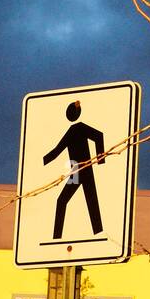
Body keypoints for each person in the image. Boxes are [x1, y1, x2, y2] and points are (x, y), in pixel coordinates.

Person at [43, 100, 105, 238]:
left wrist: (100, 161)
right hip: (77, 172)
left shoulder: (78, 128)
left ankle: (58, 237)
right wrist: (41, 162)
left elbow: (98, 136)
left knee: (90, 201)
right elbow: (56, 152)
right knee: (77, 201)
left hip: (83, 170)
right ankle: (57, 237)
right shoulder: (72, 130)